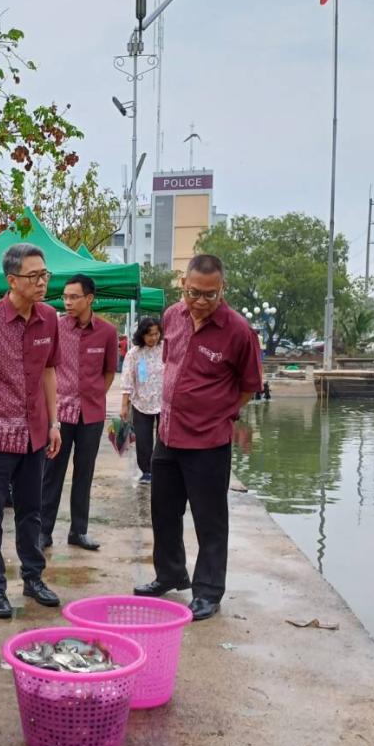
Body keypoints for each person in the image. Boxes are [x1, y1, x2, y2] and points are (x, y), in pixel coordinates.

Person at [134, 254, 264, 621]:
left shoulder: (238, 331)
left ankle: (207, 591)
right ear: (183, 286)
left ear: (223, 289)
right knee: (163, 510)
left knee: (209, 520)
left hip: (208, 441)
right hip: (169, 433)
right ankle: (170, 573)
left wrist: (221, 412)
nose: (201, 301)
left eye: (211, 294)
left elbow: (249, 386)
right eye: (194, 293)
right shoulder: (173, 316)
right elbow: (171, 364)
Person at [0, 242, 62, 619]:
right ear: (12, 280)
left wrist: (54, 424)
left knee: (31, 511)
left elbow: (50, 372)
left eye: (44, 275)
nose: (41, 282)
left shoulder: (49, 318)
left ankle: (33, 578)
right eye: (33, 276)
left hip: (35, 433)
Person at [40, 274, 117, 552]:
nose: (68, 302)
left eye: (74, 297)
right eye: (65, 297)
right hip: (60, 413)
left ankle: (78, 531)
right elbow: (46, 368)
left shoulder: (107, 332)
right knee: (52, 473)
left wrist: (95, 394)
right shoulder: (57, 328)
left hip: (91, 415)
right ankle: (43, 532)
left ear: (89, 299)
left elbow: (109, 371)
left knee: (84, 473)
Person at [120, 316, 164, 484]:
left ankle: (161, 468)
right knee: (143, 439)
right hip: (141, 402)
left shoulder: (165, 349)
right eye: (149, 334)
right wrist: (124, 405)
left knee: (164, 438)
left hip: (163, 402)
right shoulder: (134, 354)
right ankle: (146, 470)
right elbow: (127, 379)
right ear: (142, 335)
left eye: (156, 334)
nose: (153, 338)